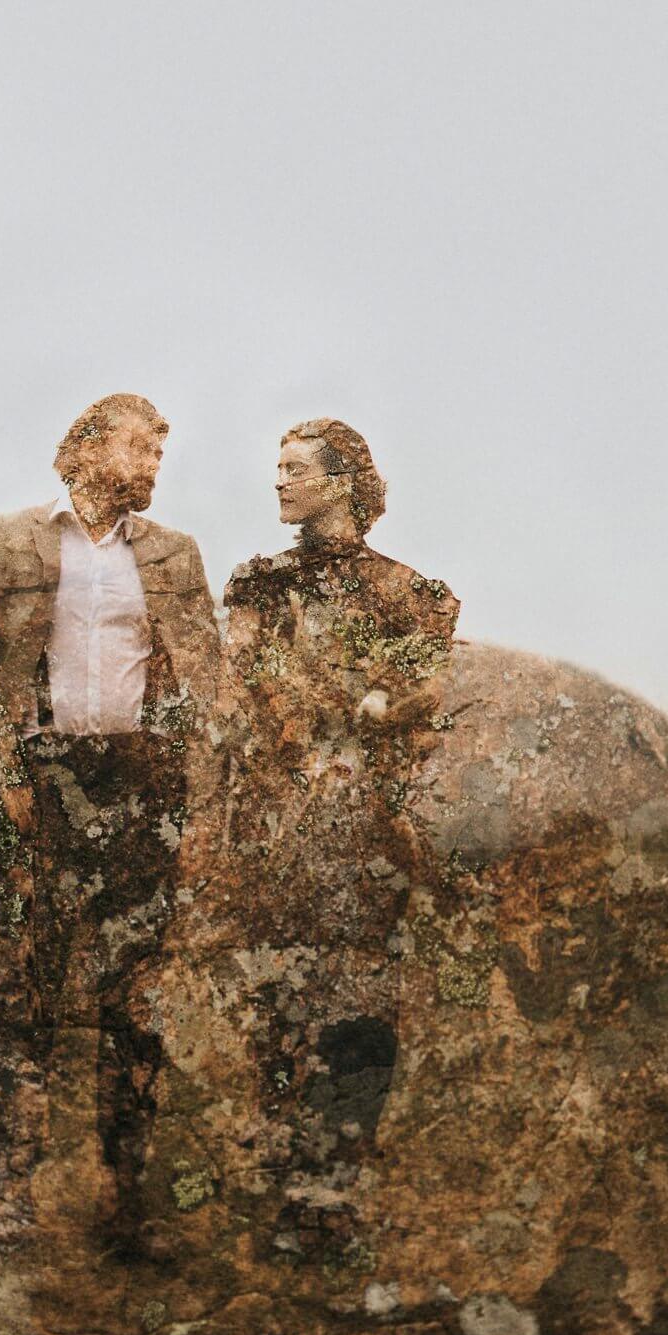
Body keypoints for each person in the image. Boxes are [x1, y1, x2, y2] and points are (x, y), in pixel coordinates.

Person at [0, 394, 220, 1258]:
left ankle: (126, 1209)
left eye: (160, 455)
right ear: (89, 449)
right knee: (25, 996)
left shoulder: (175, 554)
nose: (152, 466)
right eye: (141, 448)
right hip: (41, 785)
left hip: (141, 790)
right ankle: (4, 1205)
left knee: (135, 1004)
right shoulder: (5, 540)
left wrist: (201, 802)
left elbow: (206, 680)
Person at [208, 418, 459, 1263]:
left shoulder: (413, 596)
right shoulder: (258, 585)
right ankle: (292, 1199)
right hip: (277, 829)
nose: (278, 483)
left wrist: (381, 715)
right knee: (279, 1012)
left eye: (294, 469)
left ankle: (338, 1200)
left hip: (366, 837)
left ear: (342, 481)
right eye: (274, 468)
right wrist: (332, 722)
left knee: (359, 1019)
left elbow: (418, 705)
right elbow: (244, 687)